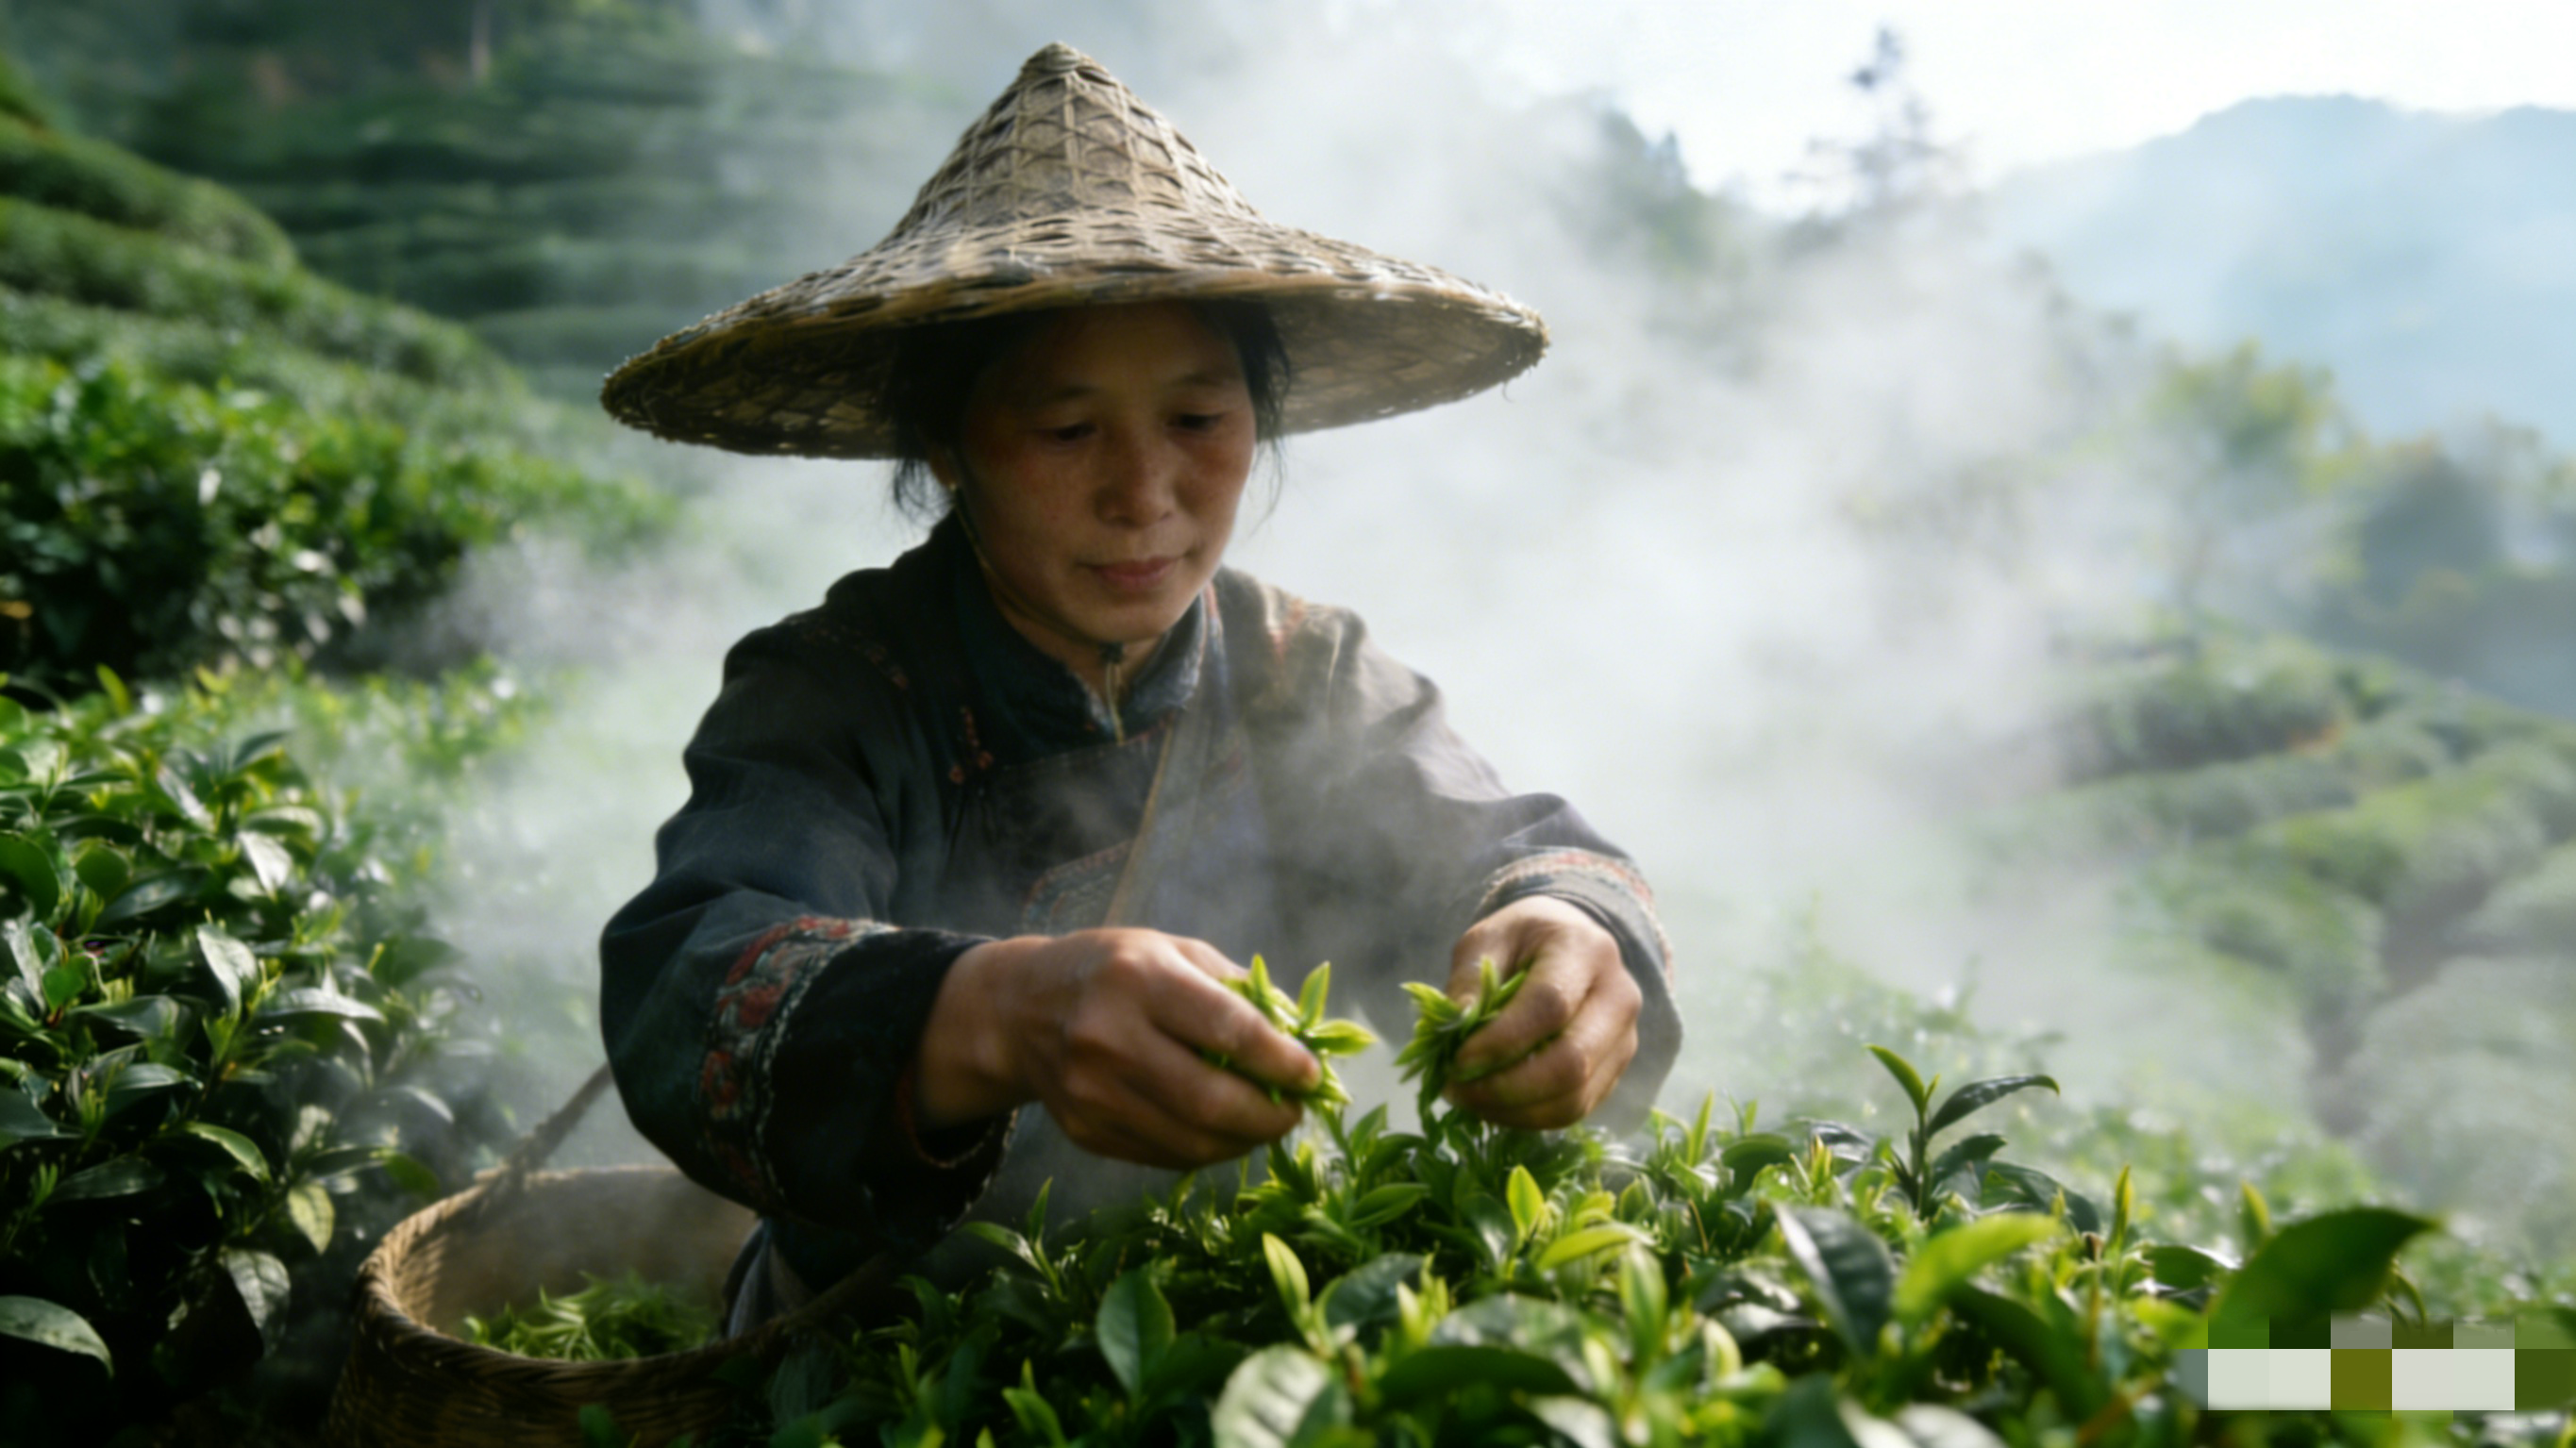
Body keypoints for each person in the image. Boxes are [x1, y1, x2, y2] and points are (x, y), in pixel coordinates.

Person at [596, 42, 1683, 1329]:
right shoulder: (836, 691)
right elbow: (689, 978)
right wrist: (1004, 1011)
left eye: (1197, 420)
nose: (1144, 496)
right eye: (1066, 431)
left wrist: (1567, 938)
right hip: (884, 1359)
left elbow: (1515, 850)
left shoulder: (1298, 670)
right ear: (946, 447)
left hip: (1219, 1339)